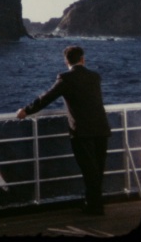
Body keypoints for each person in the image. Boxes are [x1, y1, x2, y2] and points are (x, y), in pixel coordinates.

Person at [16, 45, 111, 215]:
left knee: (89, 170)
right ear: (83, 59)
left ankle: (95, 206)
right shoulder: (95, 76)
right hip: (101, 127)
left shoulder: (66, 78)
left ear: (66, 61)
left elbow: (47, 98)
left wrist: (26, 111)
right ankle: (95, 204)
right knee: (97, 169)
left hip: (82, 131)